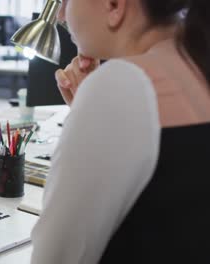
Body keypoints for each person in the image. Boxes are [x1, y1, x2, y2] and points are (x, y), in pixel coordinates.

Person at [31, 0, 210, 263]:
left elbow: (55, 256)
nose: (60, 15)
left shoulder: (121, 84)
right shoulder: (197, 65)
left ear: (114, 5)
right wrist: (88, 114)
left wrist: (94, 105)